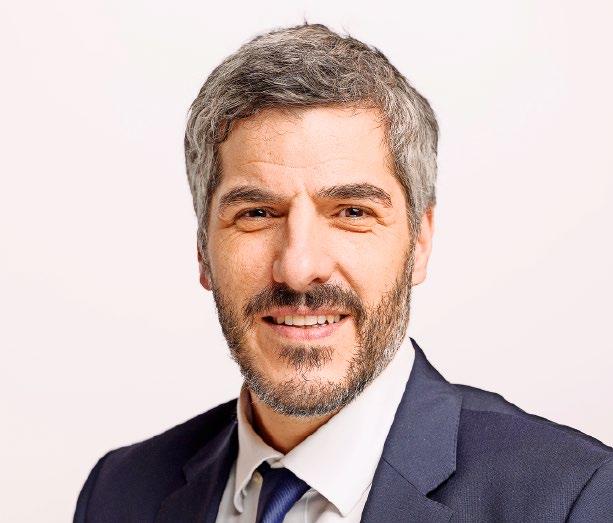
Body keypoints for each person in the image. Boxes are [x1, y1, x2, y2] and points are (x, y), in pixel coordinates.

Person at [74, 23, 612, 522]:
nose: (299, 267)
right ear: (202, 248)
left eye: (352, 212)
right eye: (257, 214)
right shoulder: (119, 493)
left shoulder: (573, 499)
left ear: (420, 241)